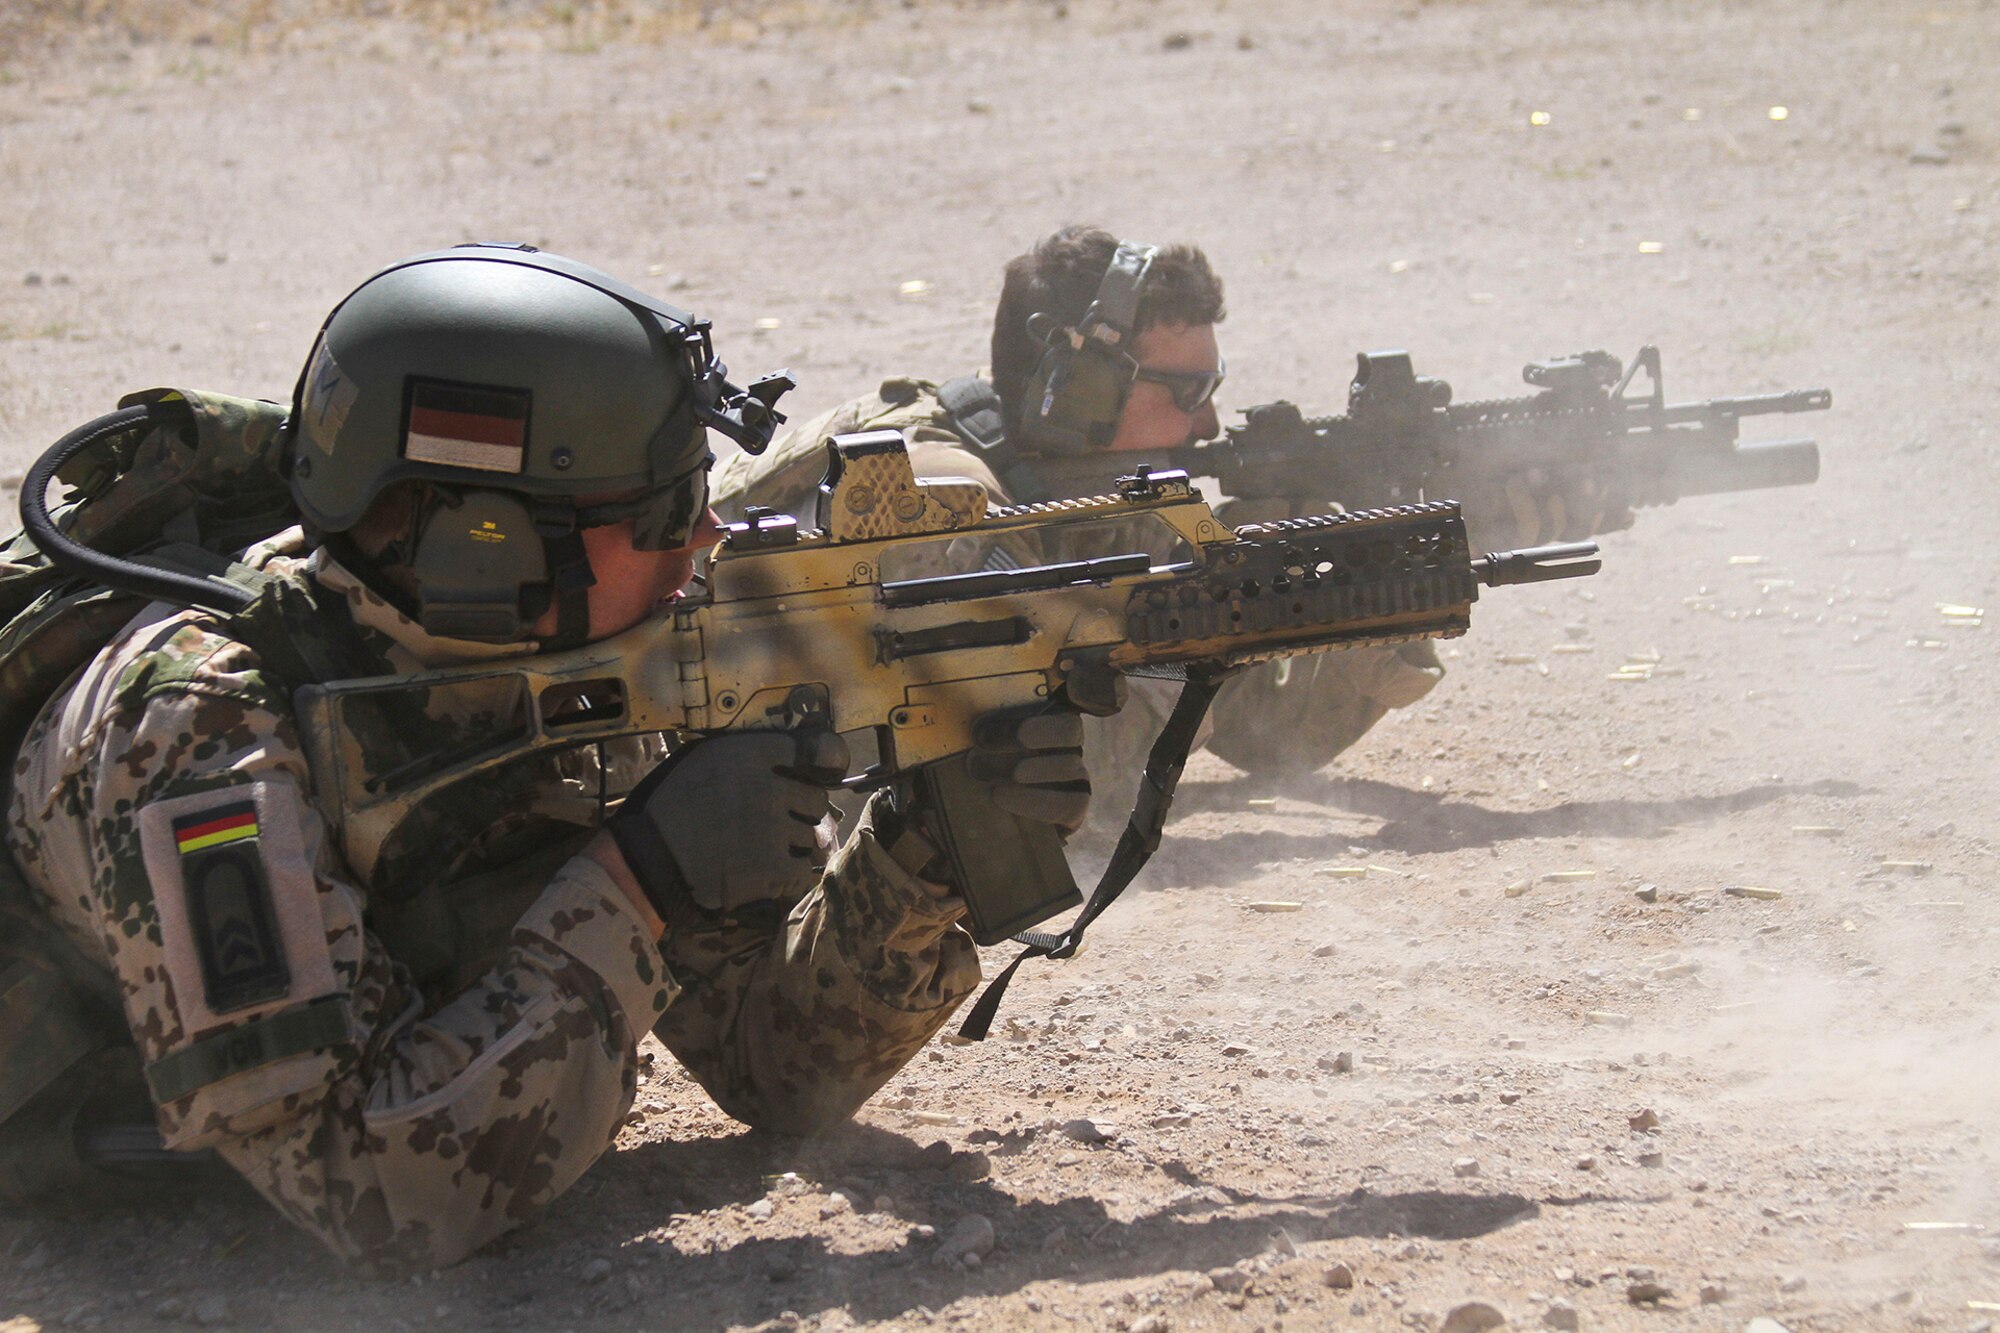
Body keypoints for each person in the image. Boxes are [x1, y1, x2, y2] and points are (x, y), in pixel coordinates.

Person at [0, 245, 1086, 1273]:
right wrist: (636, 887)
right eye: (663, 507)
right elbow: (365, 1193)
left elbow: (774, 1061)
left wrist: (921, 847)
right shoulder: (195, 736)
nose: (708, 534)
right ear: (493, 543)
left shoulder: (564, 653)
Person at [712, 225, 1448, 788]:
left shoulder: (1068, 477)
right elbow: (1028, 788)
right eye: (1188, 392)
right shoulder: (935, 506)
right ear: (1079, 393)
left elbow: (1265, 733)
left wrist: (1362, 591)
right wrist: (1204, 617)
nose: (1209, 425)